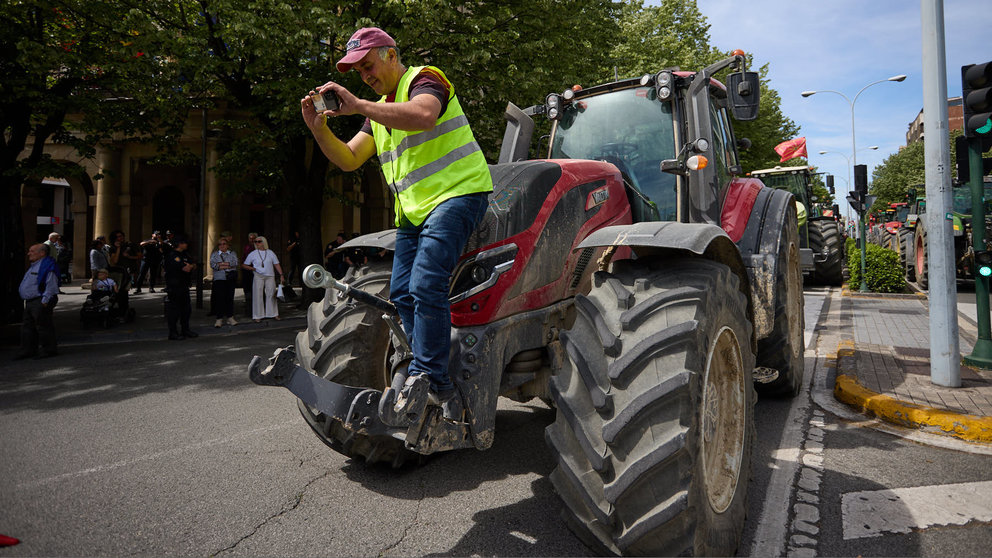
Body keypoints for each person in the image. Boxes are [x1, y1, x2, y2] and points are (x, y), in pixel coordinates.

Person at [301, 27, 492, 408]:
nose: (365, 76)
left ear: (390, 54)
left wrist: (358, 106)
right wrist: (318, 130)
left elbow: (423, 115)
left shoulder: (426, 78)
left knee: (424, 285)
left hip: (458, 195)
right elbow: (349, 158)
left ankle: (435, 382)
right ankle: (425, 362)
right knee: (402, 291)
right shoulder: (378, 114)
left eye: (368, 65)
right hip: (415, 214)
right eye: (358, 72)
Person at [17, 243, 60, 359]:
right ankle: (28, 350)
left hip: (40, 300)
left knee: (43, 326)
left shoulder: (47, 265)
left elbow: (51, 284)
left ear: (42, 253)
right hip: (31, 300)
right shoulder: (35, 265)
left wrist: (45, 300)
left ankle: (48, 350)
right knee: (27, 326)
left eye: (32, 251)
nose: (28, 253)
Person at [241, 235, 283, 322]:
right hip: (258, 276)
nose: (257, 243)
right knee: (257, 295)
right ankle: (258, 315)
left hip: (270, 275)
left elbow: (276, 264)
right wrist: (253, 268)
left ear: (264, 242)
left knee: (271, 295)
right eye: (255, 242)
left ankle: (273, 314)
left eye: (259, 241)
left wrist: (281, 274)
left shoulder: (270, 252)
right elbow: (244, 265)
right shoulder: (253, 253)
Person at [163, 236, 198, 340]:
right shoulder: (173, 256)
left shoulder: (185, 254)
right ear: (179, 244)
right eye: (184, 242)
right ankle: (173, 333)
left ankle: (185, 330)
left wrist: (191, 266)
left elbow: (194, 265)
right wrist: (190, 266)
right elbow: (186, 268)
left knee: (186, 310)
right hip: (175, 286)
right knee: (174, 310)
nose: (186, 244)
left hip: (184, 285)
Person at [209, 238, 239, 327]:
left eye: (224, 244)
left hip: (230, 279)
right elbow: (213, 264)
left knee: (229, 298)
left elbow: (235, 262)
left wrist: (221, 265)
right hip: (219, 279)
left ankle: (230, 317)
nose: (222, 245)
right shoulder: (214, 254)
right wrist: (226, 265)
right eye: (220, 244)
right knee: (219, 299)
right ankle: (219, 319)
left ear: (228, 245)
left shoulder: (232, 253)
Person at [241, 232, 258, 310]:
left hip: (256, 271)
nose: (252, 240)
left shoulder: (258, 248)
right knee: (247, 289)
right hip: (247, 270)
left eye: (253, 238)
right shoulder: (246, 247)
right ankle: (248, 306)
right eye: (250, 238)